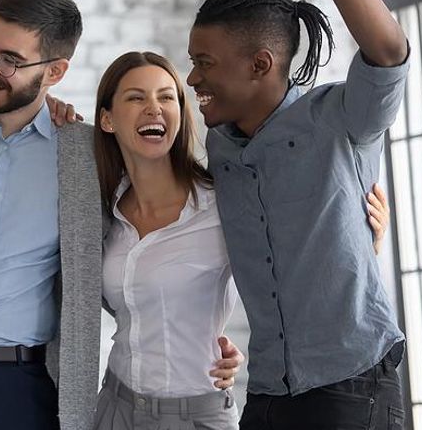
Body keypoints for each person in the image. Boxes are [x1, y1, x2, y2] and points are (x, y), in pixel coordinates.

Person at [0, 0, 242, 430]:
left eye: (11, 61)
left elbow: (130, 263)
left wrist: (204, 345)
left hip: (21, 387)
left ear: (56, 71)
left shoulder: (84, 156)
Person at [186, 0, 409, 430]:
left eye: (204, 64)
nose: (192, 78)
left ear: (260, 64)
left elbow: (388, 48)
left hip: (351, 383)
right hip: (267, 390)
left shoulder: (340, 119)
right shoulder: (220, 145)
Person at [91, 52, 392, 430]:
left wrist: (365, 239)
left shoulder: (221, 204)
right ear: (106, 118)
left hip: (198, 413)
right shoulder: (102, 211)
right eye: (136, 98)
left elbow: (301, 260)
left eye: (167, 97)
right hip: (115, 406)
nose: (154, 108)